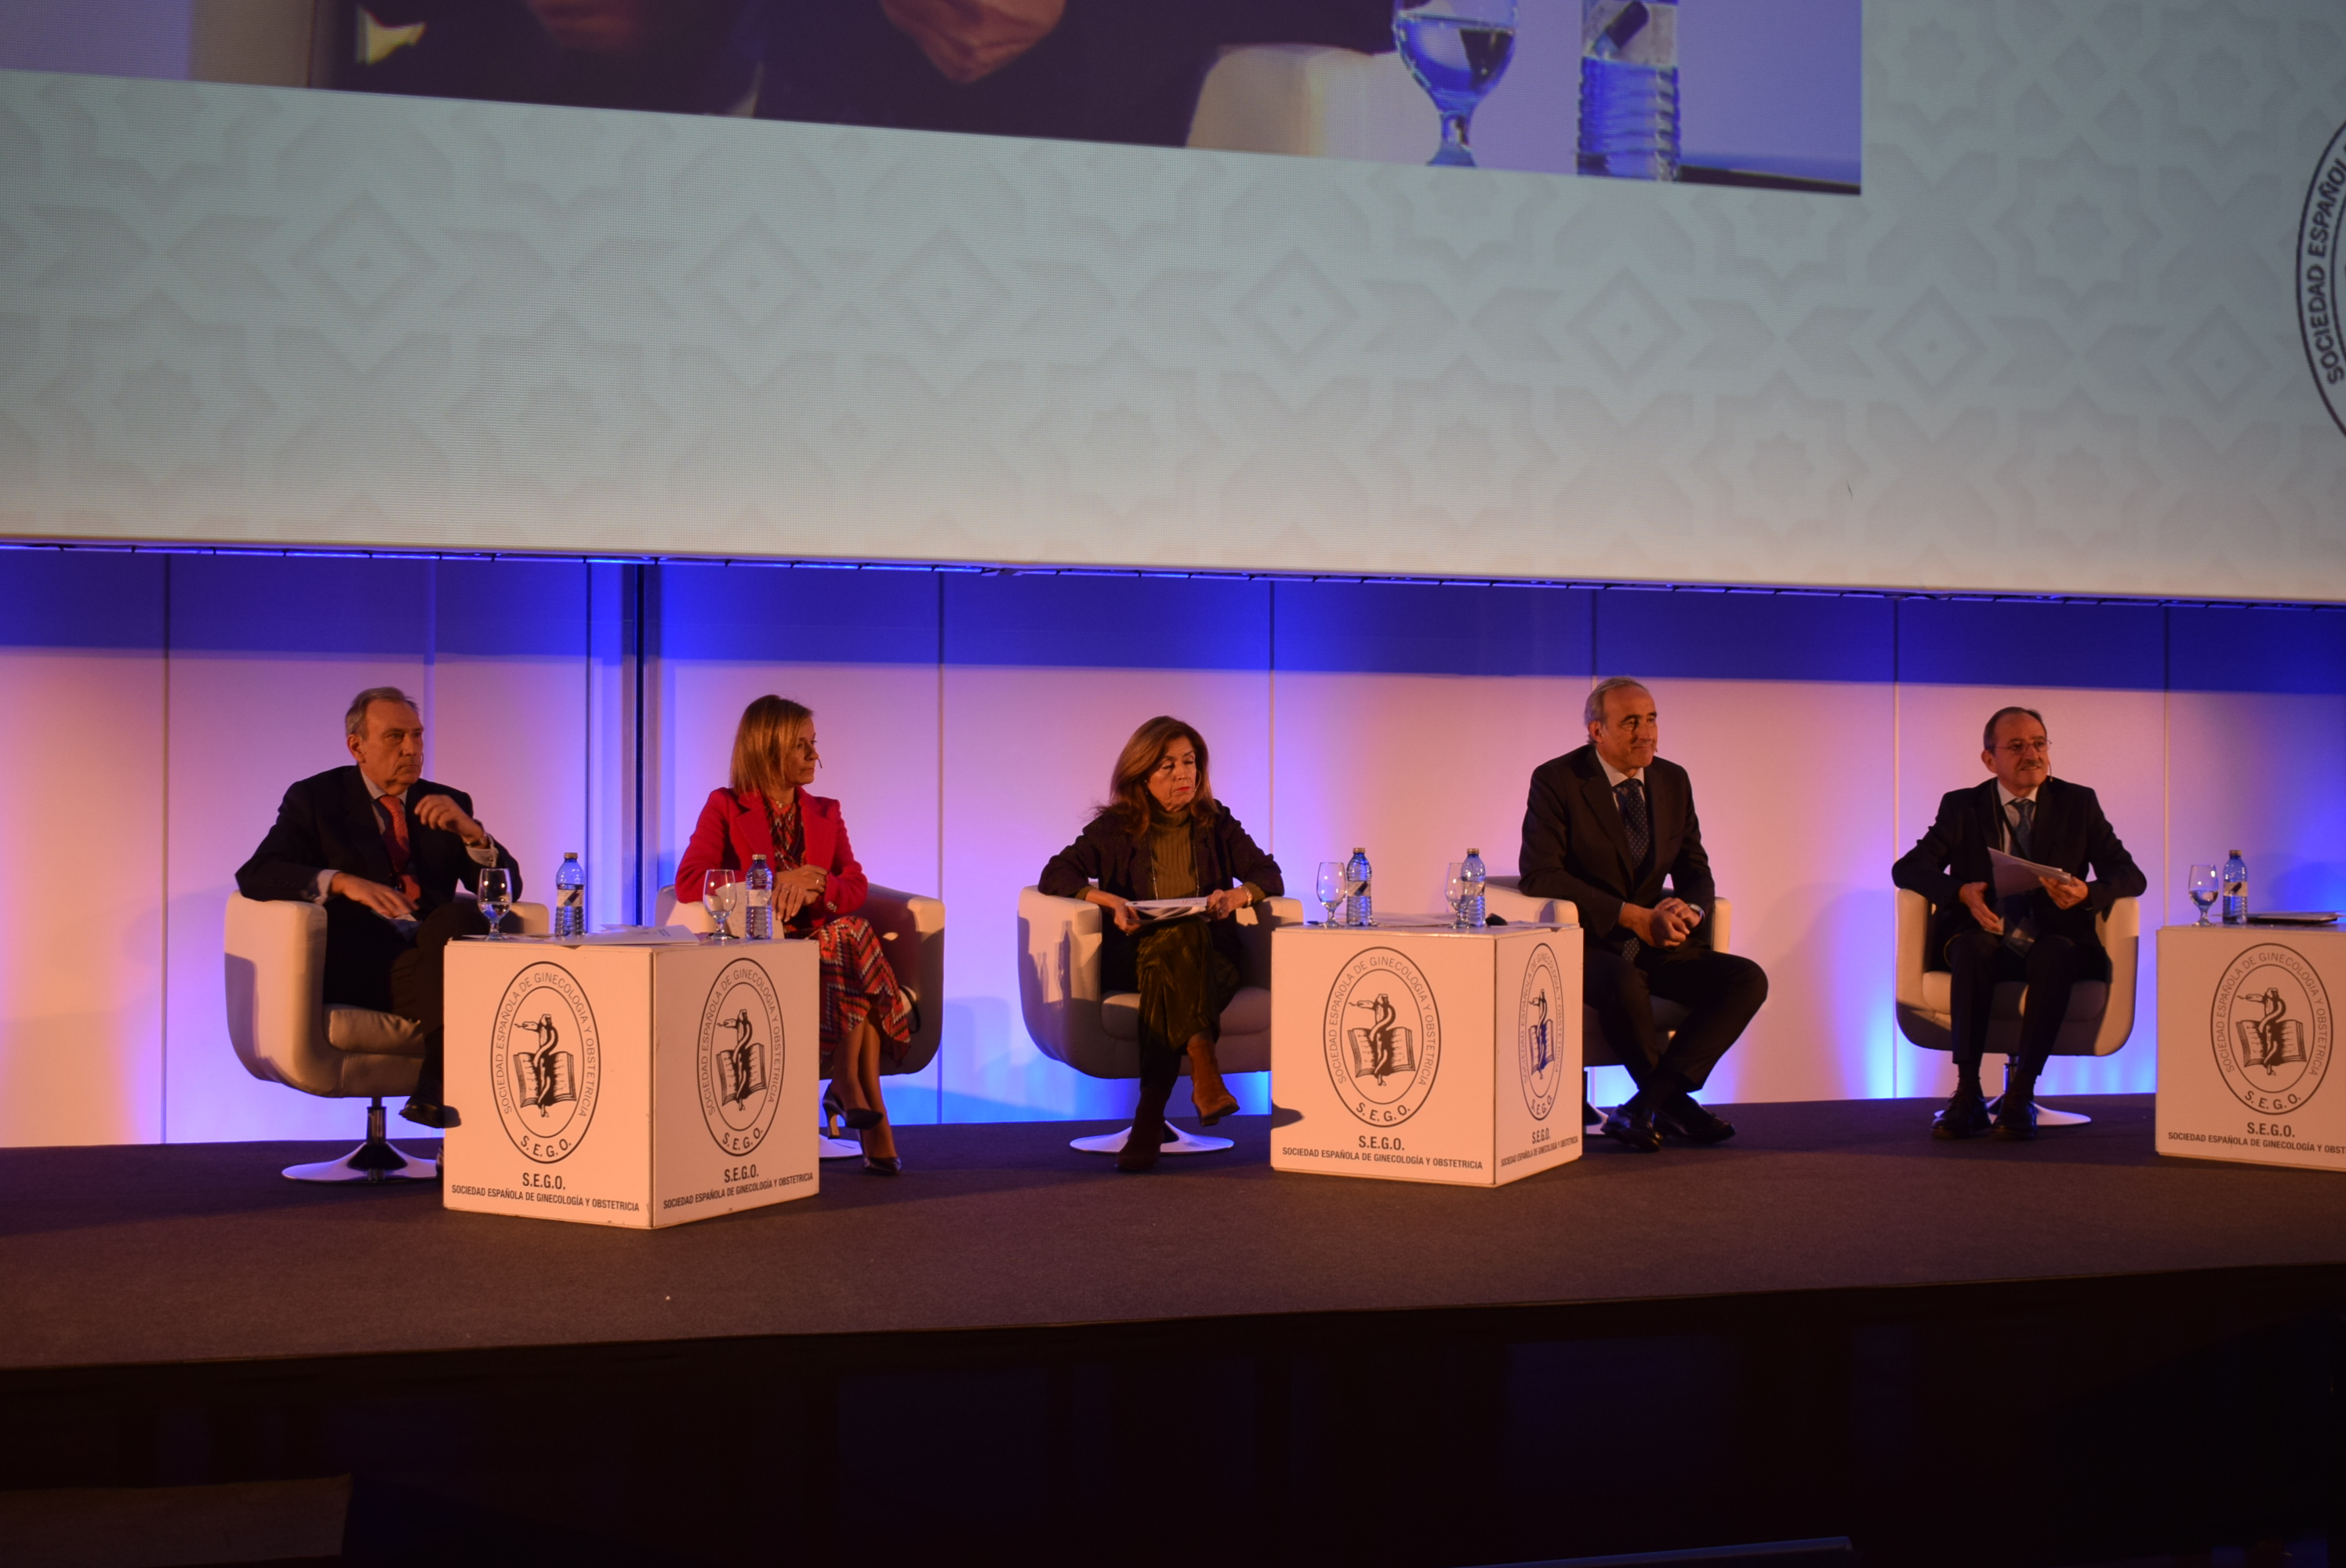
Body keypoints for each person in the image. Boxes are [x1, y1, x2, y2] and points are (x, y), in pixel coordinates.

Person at [235, 688, 522, 1130]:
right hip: (363, 962)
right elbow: (257, 873)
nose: (412, 748)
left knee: (460, 917)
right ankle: (443, 1087)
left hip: (430, 952)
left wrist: (473, 835)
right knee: (469, 979)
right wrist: (342, 882)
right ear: (358, 747)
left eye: (417, 735)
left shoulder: (448, 802)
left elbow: (507, 890)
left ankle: (436, 1083)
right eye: (395, 737)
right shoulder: (317, 799)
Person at [1517, 677, 1768, 1153]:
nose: (1646, 733)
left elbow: (1694, 869)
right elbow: (1540, 874)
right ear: (1597, 731)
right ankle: (1674, 1108)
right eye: (1631, 722)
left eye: (1651, 719)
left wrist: (1690, 909)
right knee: (1623, 981)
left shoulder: (1673, 779)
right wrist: (1630, 916)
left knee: (1746, 979)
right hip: (1588, 943)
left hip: (1654, 943)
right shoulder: (1558, 780)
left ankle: (1645, 1104)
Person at [675, 696, 917, 1174]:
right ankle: (863, 1106)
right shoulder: (725, 806)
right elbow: (690, 881)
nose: (814, 756)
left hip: (829, 949)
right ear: (768, 750)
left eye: (814, 743)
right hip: (767, 947)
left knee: (846, 935)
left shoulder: (826, 811)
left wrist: (819, 885)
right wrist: (772, 883)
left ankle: (848, 1084)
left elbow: (854, 884)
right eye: (801, 745)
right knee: (850, 942)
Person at [1037, 716, 1282, 1172]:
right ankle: (1203, 1069)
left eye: (1189, 762)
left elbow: (1268, 873)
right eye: (1168, 766)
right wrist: (1107, 899)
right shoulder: (1116, 828)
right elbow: (1056, 872)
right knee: (1171, 942)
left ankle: (1148, 1119)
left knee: (1182, 939)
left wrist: (1234, 897)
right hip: (1135, 956)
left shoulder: (1216, 822)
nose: (1183, 774)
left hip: (1210, 959)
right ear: (1142, 775)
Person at [1891, 706, 2145, 1142]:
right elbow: (1908, 869)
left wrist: (2087, 893)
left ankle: (2021, 1093)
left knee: (2056, 953)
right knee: (1972, 947)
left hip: (2053, 936)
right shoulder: (1963, 806)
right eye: (2017, 746)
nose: (2032, 755)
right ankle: (1968, 1092)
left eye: (2039, 743)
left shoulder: (2078, 802)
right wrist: (1960, 892)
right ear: (1990, 759)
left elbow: (2129, 875)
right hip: (1987, 933)